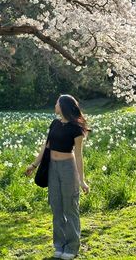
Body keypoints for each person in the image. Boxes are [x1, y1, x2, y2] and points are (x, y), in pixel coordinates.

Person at [25, 94, 90, 260]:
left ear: (63, 106)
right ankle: (59, 245)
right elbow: (46, 146)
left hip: (69, 168)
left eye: (57, 103)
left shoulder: (76, 128)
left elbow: (79, 155)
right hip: (52, 168)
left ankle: (72, 247)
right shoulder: (54, 123)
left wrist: (81, 180)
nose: (55, 105)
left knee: (70, 207)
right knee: (56, 207)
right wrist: (34, 165)